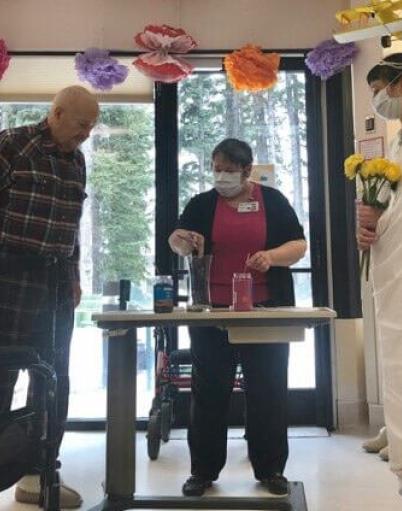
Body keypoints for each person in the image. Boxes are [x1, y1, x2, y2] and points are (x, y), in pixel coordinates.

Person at [169, 138, 306, 497]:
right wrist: (182, 240)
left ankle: (271, 468)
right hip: (212, 311)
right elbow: (178, 241)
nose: (221, 176)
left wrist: (271, 257)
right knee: (209, 390)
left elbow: (299, 244)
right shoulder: (202, 204)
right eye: (216, 169)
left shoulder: (271, 201)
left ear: (247, 171)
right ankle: (202, 470)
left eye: (229, 170)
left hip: (265, 309)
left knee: (268, 389)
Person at [0, 85, 99, 507]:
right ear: (56, 113)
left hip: (55, 282)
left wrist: (75, 275)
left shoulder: (76, 160)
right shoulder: (12, 146)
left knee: (54, 377)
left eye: (92, 127)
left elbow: (71, 225)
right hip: (8, 274)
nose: (86, 135)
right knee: (1, 373)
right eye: (81, 125)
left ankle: (39, 474)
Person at [356, 53, 402, 497]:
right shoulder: (396, 141)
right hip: (392, 265)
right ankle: (395, 432)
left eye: (382, 88)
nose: (380, 100)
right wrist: (371, 220)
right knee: (395, 356)